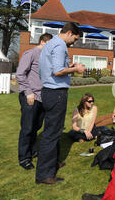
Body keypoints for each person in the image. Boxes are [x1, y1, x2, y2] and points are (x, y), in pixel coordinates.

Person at [36, 22, 86, 185]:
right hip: (56, 92)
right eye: (75, 39)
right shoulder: (60, 46)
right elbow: (57, 71)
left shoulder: (50, 44)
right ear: (70, 33)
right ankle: (44, 174)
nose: (74, 43)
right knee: (51, 134)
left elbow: (52, 67)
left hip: (49, 91)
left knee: (54, 131)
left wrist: (69, 65)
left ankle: (52, 164)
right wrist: (75, 69)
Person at [16, 33, 52, 170]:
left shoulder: (46, 57)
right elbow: (20, 74)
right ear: (43, 42)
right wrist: (28, 92)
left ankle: (31, 151)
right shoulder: (30, 53)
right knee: (27, 128)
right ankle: (24, 158)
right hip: (30, 96)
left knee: (36, 127)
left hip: (41, 98)